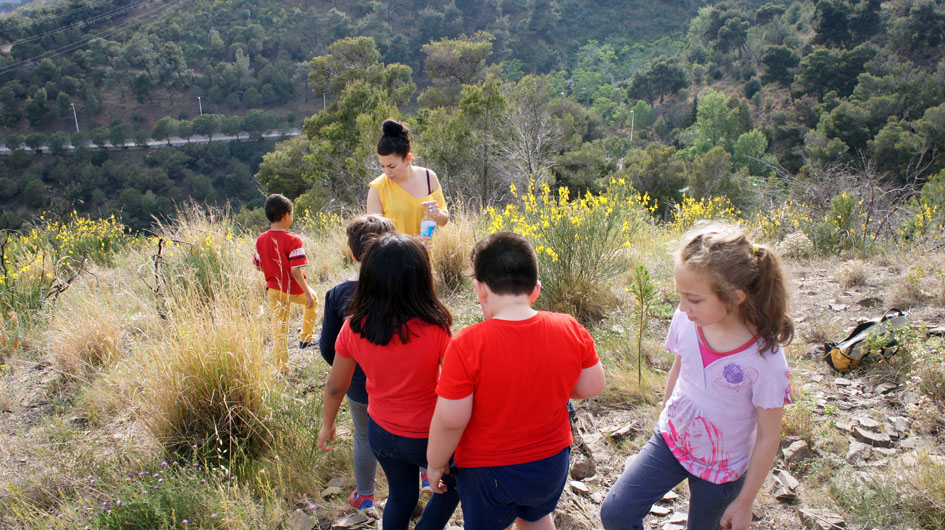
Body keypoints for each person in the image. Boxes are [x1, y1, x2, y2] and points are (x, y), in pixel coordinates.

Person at [599, 221, 794, 530]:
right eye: (680, 295)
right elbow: (681, 366)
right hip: (671, 441)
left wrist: (744, 502)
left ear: (736, 296)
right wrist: (665, 411)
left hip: (723, 468)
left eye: (694, 298)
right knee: (616, 513)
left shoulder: (765, 360)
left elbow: (769, 436)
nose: (682, 307)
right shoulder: (687, 319)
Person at [426, 232, 606, 530]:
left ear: (480, 289)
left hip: (489, 472)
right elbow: (592, 386)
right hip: (550, 463)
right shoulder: (568, 327)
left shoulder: (467, 344)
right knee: (536, 517)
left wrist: (435, 462)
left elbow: (451, 419)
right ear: (535, 290)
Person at [318, 233, 459, 529]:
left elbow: (335, 386)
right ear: (422, 277)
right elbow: (456, 385)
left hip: (381, 433)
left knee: (400, 496)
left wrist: (327, 424)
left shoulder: (354, 326)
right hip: (427, 435)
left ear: (368, 277)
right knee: (450, 489)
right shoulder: (436, 326)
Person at [318, 214, 396, 510]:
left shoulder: (338, 293)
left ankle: (365, 496)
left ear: (352, 254)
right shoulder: (406, 289)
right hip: (405, 381)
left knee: (364, 436)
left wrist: (346, 369)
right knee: (415, 429)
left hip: (359, 382)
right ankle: (426, 477)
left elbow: (328, 348)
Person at [253, 193, 317, 369]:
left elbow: (258, 266)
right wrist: (307, 293)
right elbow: (296, 270)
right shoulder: (293, 240)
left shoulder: (261, 239)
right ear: (287, 215)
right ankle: (306, 338)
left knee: (279, 327)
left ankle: (282, 367)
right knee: (314, 300)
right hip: (293, 289)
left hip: (273, 290)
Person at [367, 118, 449, 237]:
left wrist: (438, 214)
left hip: (425, 255)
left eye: (392, 166)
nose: (386, 171)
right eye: (382, 166)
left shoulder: (429, 177)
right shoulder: (377, 189)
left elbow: (444, 221)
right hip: (392, 255)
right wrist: (411, 244)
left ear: (408, 159)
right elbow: (374, 237)